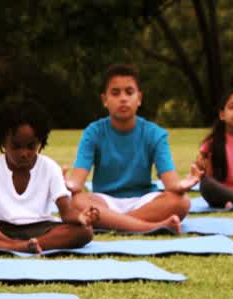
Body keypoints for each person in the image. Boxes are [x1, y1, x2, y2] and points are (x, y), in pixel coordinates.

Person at [66, 64, 198, 233]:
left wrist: (182, 185)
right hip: (105, 202)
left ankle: (116, 223)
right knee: (77, 202)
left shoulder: (155, 134)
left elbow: (171, 184)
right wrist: (68, 184)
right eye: (115, 93)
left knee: (182, 201)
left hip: (144, 201)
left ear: (139, 98)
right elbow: (77, 182)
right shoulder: (93, 132)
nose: (123, 98)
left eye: (129, 92)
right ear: (105, 100)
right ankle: (152, 226)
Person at [0, 101, 98, 252]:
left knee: (84, 232)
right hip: (0, 225)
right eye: (16, 146)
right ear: (3, 142)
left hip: (41, 227)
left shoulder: (50, 167)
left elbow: (66, 212)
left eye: (31, 146)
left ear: (40, 142)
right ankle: (19, 246)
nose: (24, 154)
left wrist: (81, 218)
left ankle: (19, 244)